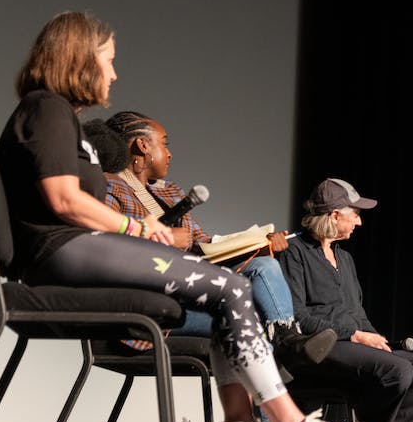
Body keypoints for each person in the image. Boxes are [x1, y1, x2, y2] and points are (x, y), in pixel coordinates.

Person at [0, 10, 371, 422]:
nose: (113, 72)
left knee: (227, 306)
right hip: (64, 254)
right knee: (232, 288)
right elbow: (63, 199)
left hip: (73, 255)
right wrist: (137, 229)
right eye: (108, 60)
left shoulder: (58, 114)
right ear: (79, 58)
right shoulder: (46, 107)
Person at [90, 111, 336, 368]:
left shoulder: (171, 193)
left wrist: (259, 245)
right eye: (164, 143)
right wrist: (164, 238)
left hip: (193, 291)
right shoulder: (108, 187)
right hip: (154, 310)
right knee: (253, 326)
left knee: (264, 267)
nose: (169, 153)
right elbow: (107, 251)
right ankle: (279, 382)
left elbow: (205, 246)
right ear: (142, 145)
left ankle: (285, 336)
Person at [278, 178, 413, 422]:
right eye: (354, 214)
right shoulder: (295, 252)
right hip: (316, 346)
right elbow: (297, 315)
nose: (358, 222)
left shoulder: (345, 259)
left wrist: (375, 338)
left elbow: (356, 313)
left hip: (353, 344)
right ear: (334, 216)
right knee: (397, 372)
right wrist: (356, 336)